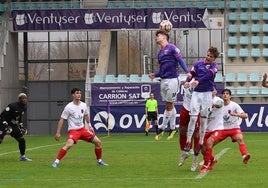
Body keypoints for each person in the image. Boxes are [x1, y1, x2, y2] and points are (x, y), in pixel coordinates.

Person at [149, 30, 191, 141]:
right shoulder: (160, 53)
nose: (156, 38)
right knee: (168, 104)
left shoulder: (172, 48)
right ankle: (172, 128)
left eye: (158, 35)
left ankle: (162, 127)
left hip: (172, 80)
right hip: (163, 80)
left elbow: (180, 60)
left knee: (169, 104)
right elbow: (162, 69)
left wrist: (187, 71)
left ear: (164, 37)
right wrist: (155, 74)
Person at [52, 88, 108, 168]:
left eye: (80, 93)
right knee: (69, 145)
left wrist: (90, 125)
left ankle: (99, 161)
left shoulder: (83, 105)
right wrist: (58, 133)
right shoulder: (69, 107)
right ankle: (56, 162)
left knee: (98, 142)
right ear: (73, 95)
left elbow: (86, 115)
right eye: (77, 93)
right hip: (73, 131)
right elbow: (62, 119)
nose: (79, 95)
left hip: (82, 129)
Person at [184, 46, 220, 152]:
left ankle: (200, 142)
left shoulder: (214, 66)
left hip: (207, 94)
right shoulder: (198, 64)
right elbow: (192, 74)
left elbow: (208, 76)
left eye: (211, 56)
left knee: (203, 119)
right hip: (196, 93)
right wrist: (187, 80)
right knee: (193, 118)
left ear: (214, 58)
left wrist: (198, 81)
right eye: (208, 55)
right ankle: (188, 142)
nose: (208, 57)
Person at [0, 93, 32, 161]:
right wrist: (6, 125)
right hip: (3, 123)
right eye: (23, 98)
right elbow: (2, 115)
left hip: (13, 124)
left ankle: (22, 156)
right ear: (19, 99)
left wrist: (21, 126)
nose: (25, 100)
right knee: (0, 140)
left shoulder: (24, 108)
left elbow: (18, 118)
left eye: (25, 98)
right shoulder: (12, 106)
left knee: (21, 139)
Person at [199, 87, 224, 173]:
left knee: (209, 143)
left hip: (217, 128)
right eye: (209, 90)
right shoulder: (203, 100)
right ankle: (212, 159)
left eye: (212, 90)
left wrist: (212, 104)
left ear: (216, 91)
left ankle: (205, 165)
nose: (211, 92)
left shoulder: (218, 100)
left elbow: (219, 104)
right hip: (207, 128)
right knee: (202, 148)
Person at [178, 81, 200, 171]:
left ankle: (195, 160)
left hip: (196, 109)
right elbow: (178, 79)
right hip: (185, 108)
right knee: (182, 130)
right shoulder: (189, 76)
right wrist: (184, 83)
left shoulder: (203, 79)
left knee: (196, 134)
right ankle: (184, 153)